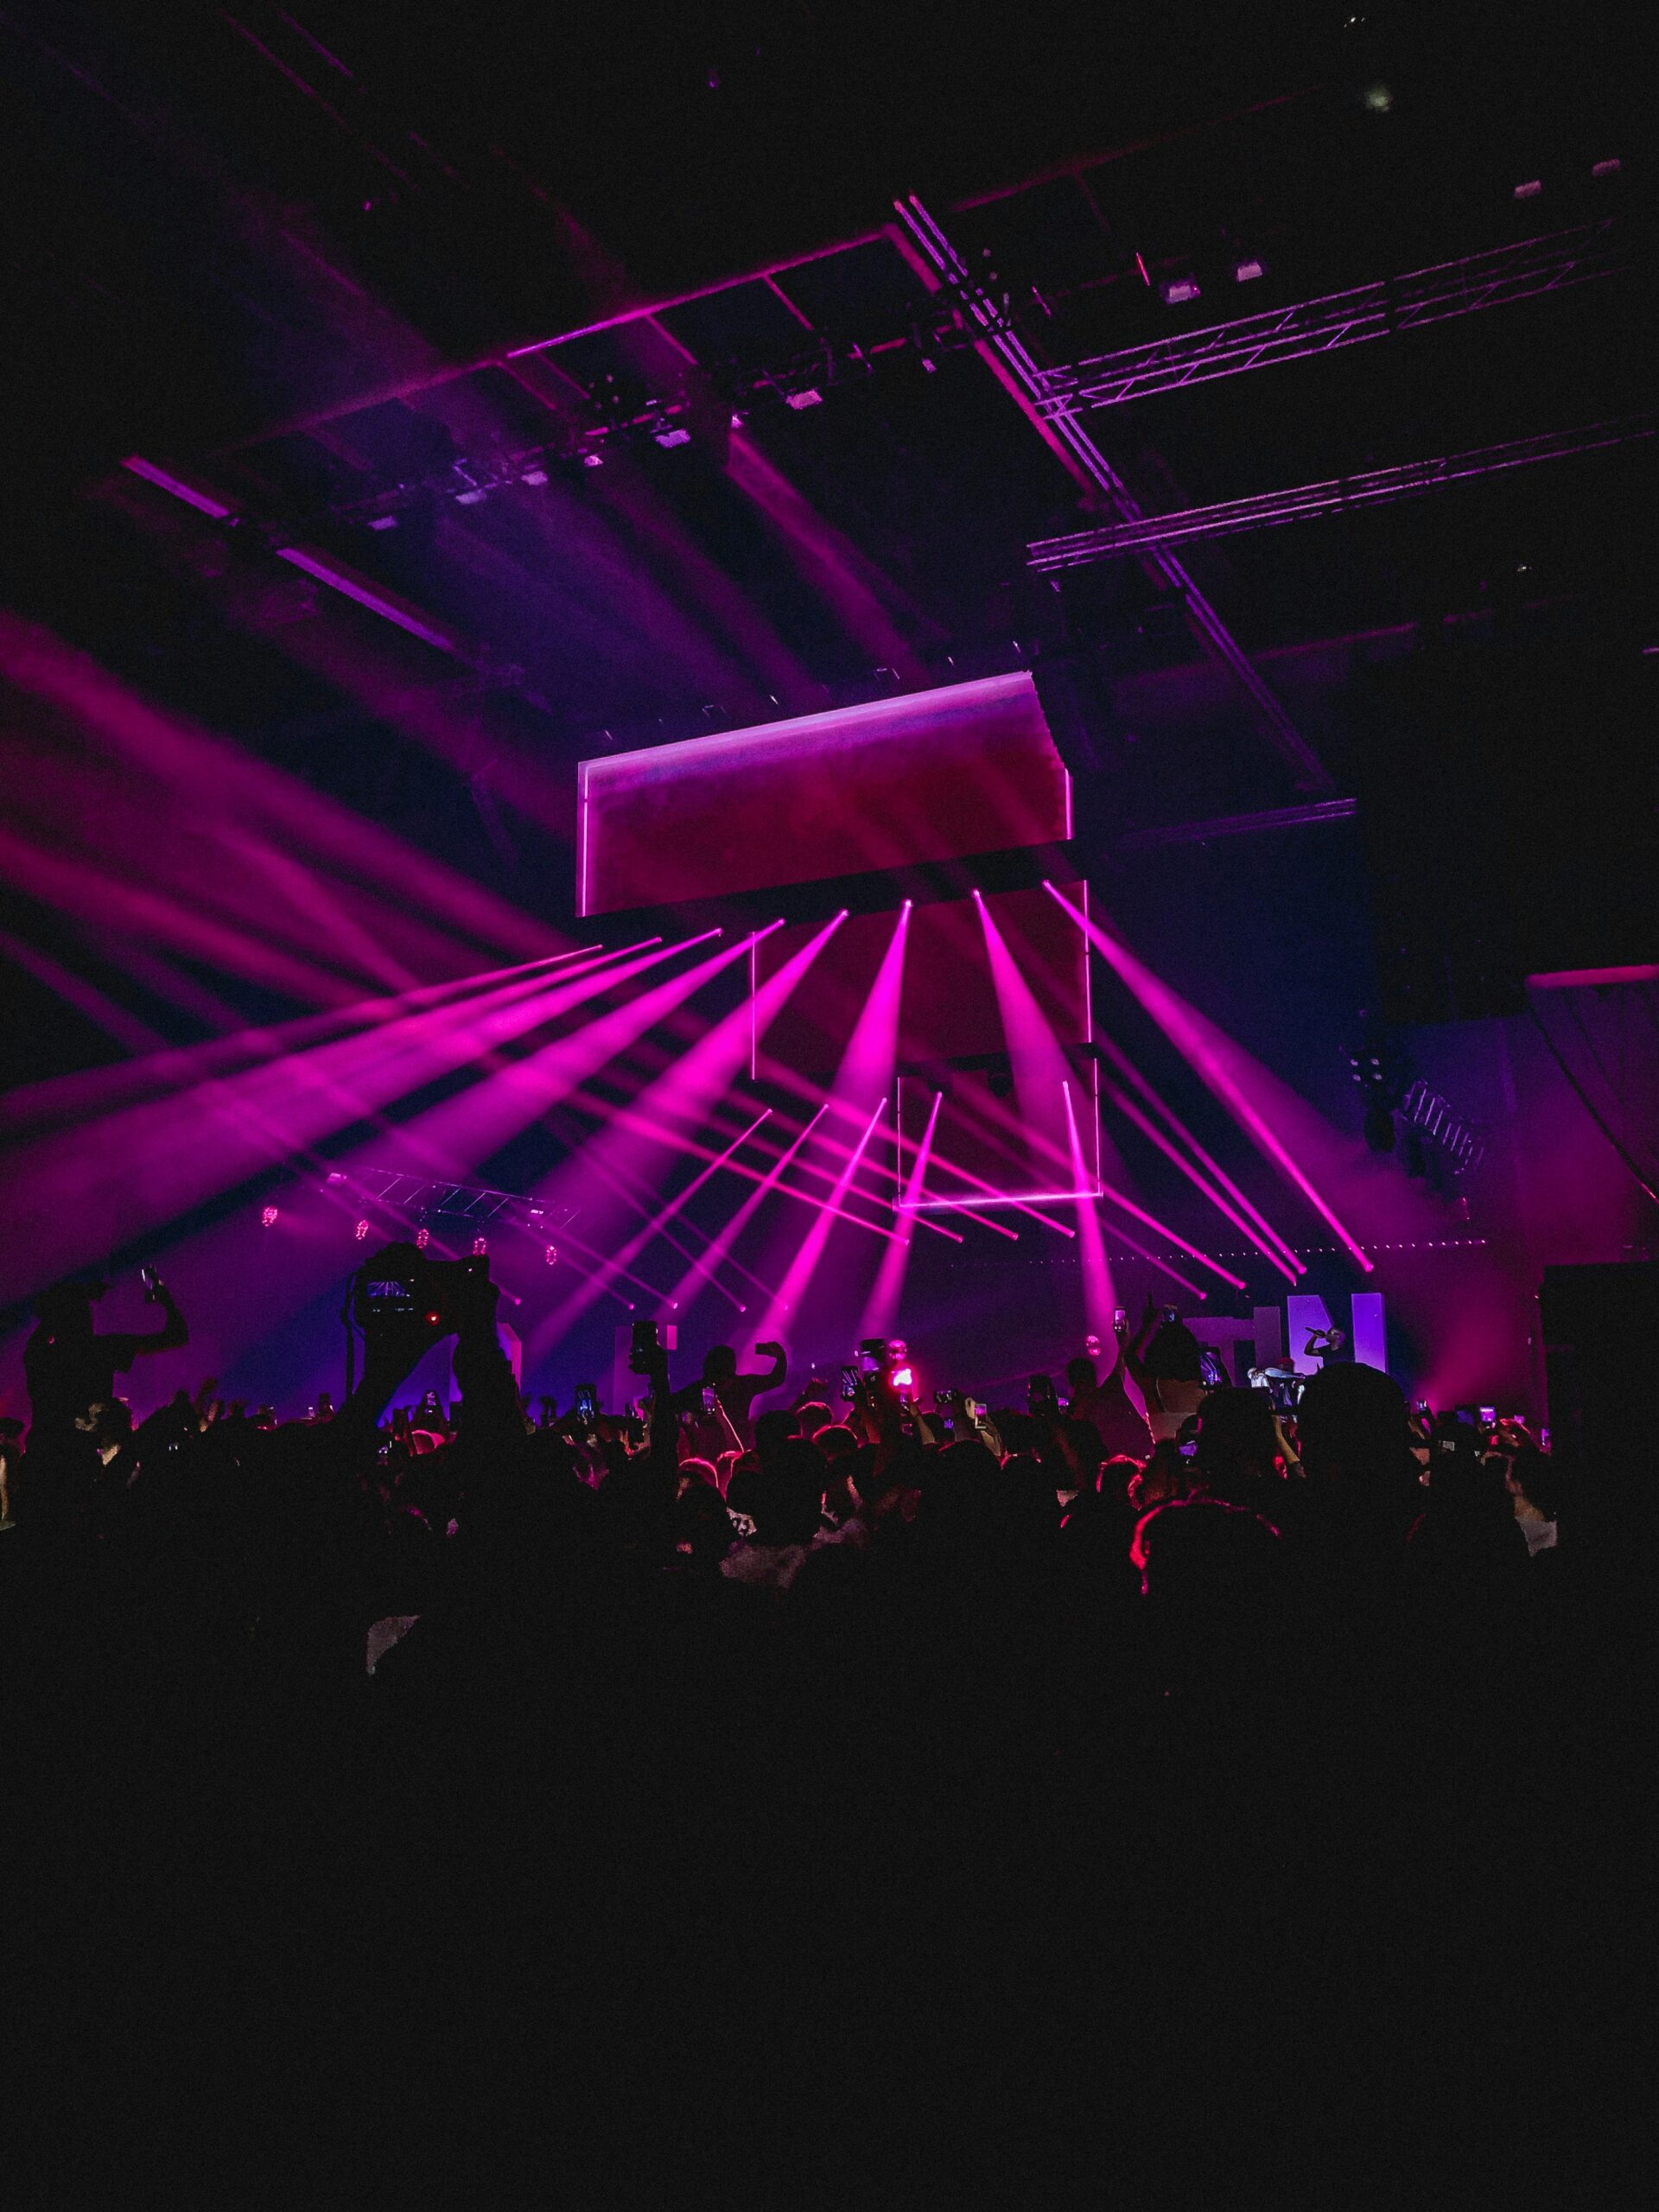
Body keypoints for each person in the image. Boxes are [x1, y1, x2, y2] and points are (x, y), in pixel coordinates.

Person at [23, 1272, 189, 1458]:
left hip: (41, 1454)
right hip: (80, 1456)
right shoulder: (100, 1349)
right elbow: (176, 1336)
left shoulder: (38, 1356)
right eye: (85, 1311)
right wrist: (166, 1300)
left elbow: (44, 1328)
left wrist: (73, 1295)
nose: (91, 1316)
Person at [671, 1339, 787, 1455]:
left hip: (733, 1450)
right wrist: (780, 1356)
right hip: (713, 1451)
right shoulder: (741, 1385)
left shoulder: (741, 1385)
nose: (719, 1384)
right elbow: (776, 1378)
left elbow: (776, 1378)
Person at [1122, 1297, 1208, 1443]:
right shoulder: (1206, 1390)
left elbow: (1130, 1358)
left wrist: (1147, 1326)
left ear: (1156, 1354)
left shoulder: (1154, 1386)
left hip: (1166, 1456)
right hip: (1203, 1456)